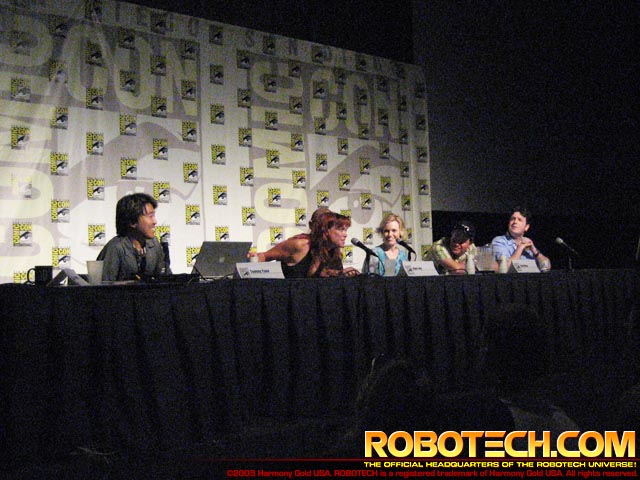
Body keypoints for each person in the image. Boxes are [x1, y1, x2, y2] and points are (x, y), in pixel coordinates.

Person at [249, 210, 360, 278]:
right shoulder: (300, 245)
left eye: (345, 230)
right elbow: (264, 256)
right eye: (341, 230)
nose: (345, 235)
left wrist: (340, 274)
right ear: (325, 230)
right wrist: (252, 260)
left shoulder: (333, 250)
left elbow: (319, 274)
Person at [97, 193, 169, 281]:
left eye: (154, 216)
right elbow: (105, 285)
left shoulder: (154, 244)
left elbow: (166, 280)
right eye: (150, 216)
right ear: (132, 222)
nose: (155, 221)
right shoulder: (115, 247)